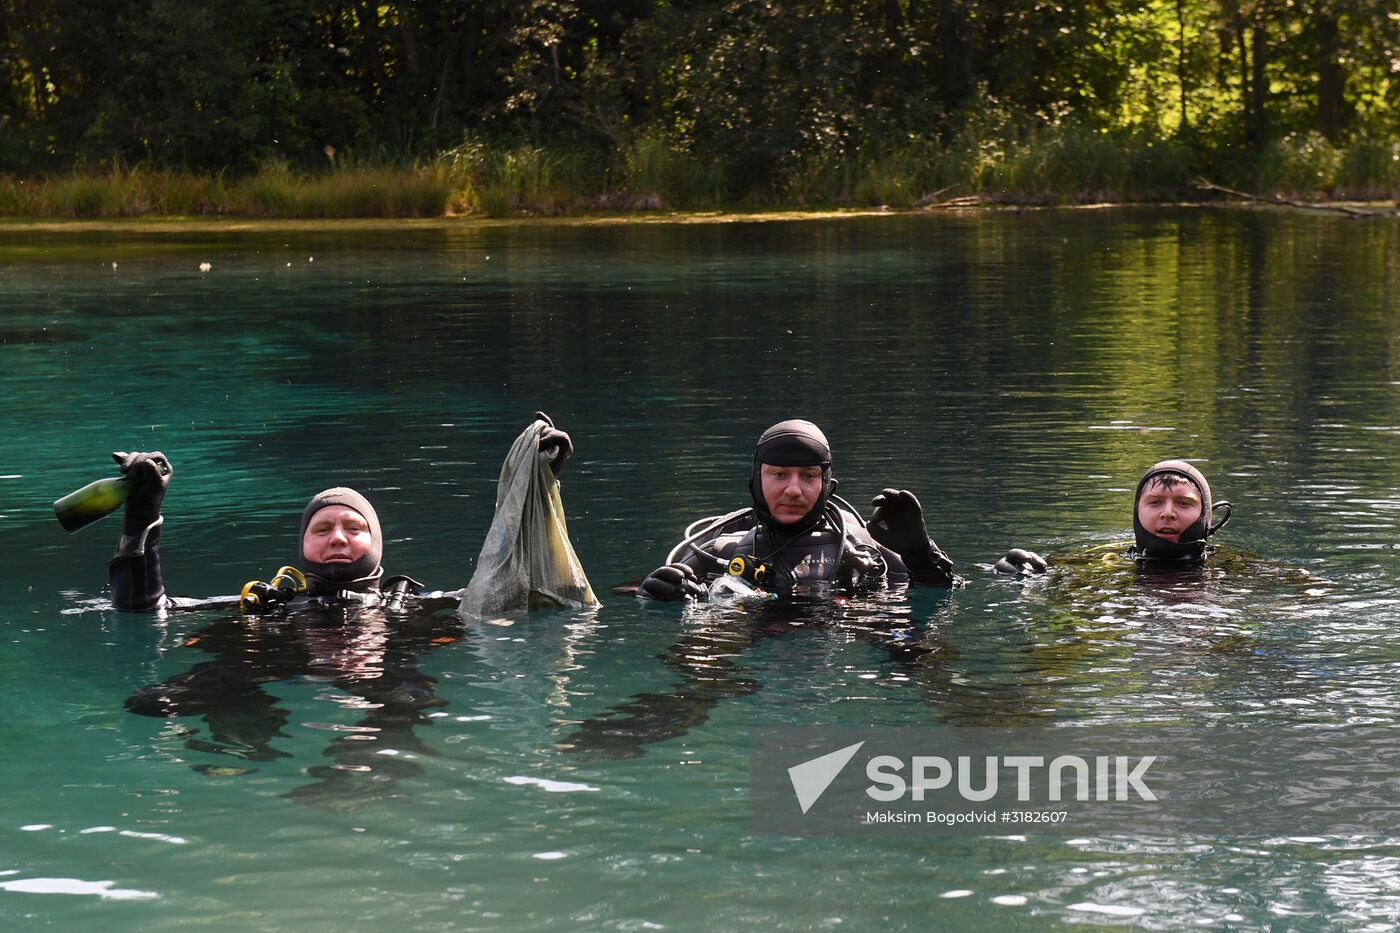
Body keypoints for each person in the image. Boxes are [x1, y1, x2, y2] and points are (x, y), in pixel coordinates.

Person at [106, 415, 574, 612]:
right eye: (322, 528)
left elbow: (526, 591)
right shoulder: (265, 611)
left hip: (388, 701)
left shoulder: (415, 609)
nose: (337, 537)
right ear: (302, 544)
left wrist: (541, 486)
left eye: (354, 527)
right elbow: (146, 612)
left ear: (377, 544)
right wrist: (142, 514)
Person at [637, 419, 956, 601]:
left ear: (827, 485)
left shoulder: (865, 550)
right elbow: (648, 591)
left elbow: (946, 595)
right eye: (779, 474)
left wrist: (921, 556)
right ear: (755, 481)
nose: (793, 489)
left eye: (808, 476)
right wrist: (654, 594)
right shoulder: (717, 551)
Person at [993, 459, 1232, 575]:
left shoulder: (1235, 567)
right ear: (1137, 512)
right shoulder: (1099, 561)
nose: (1168, 513)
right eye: (1155, 502)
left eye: (1184, 503)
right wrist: (1017, 573)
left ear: (1206, 517)